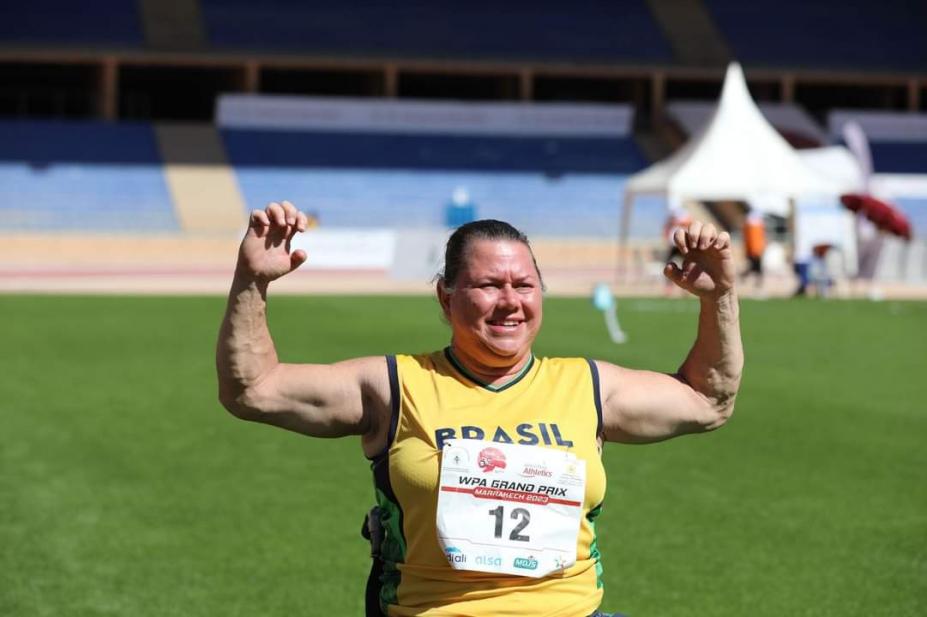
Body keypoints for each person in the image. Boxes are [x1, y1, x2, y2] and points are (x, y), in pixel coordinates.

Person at [217, 201, 744, 617]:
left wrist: (718, 293)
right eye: (489, 285)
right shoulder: (396, 384)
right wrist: (252, 280)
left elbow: (708, 400)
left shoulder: (588, 387)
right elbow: (253, 389)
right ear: (446, 298)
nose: (510, 301)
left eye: (524, 285)